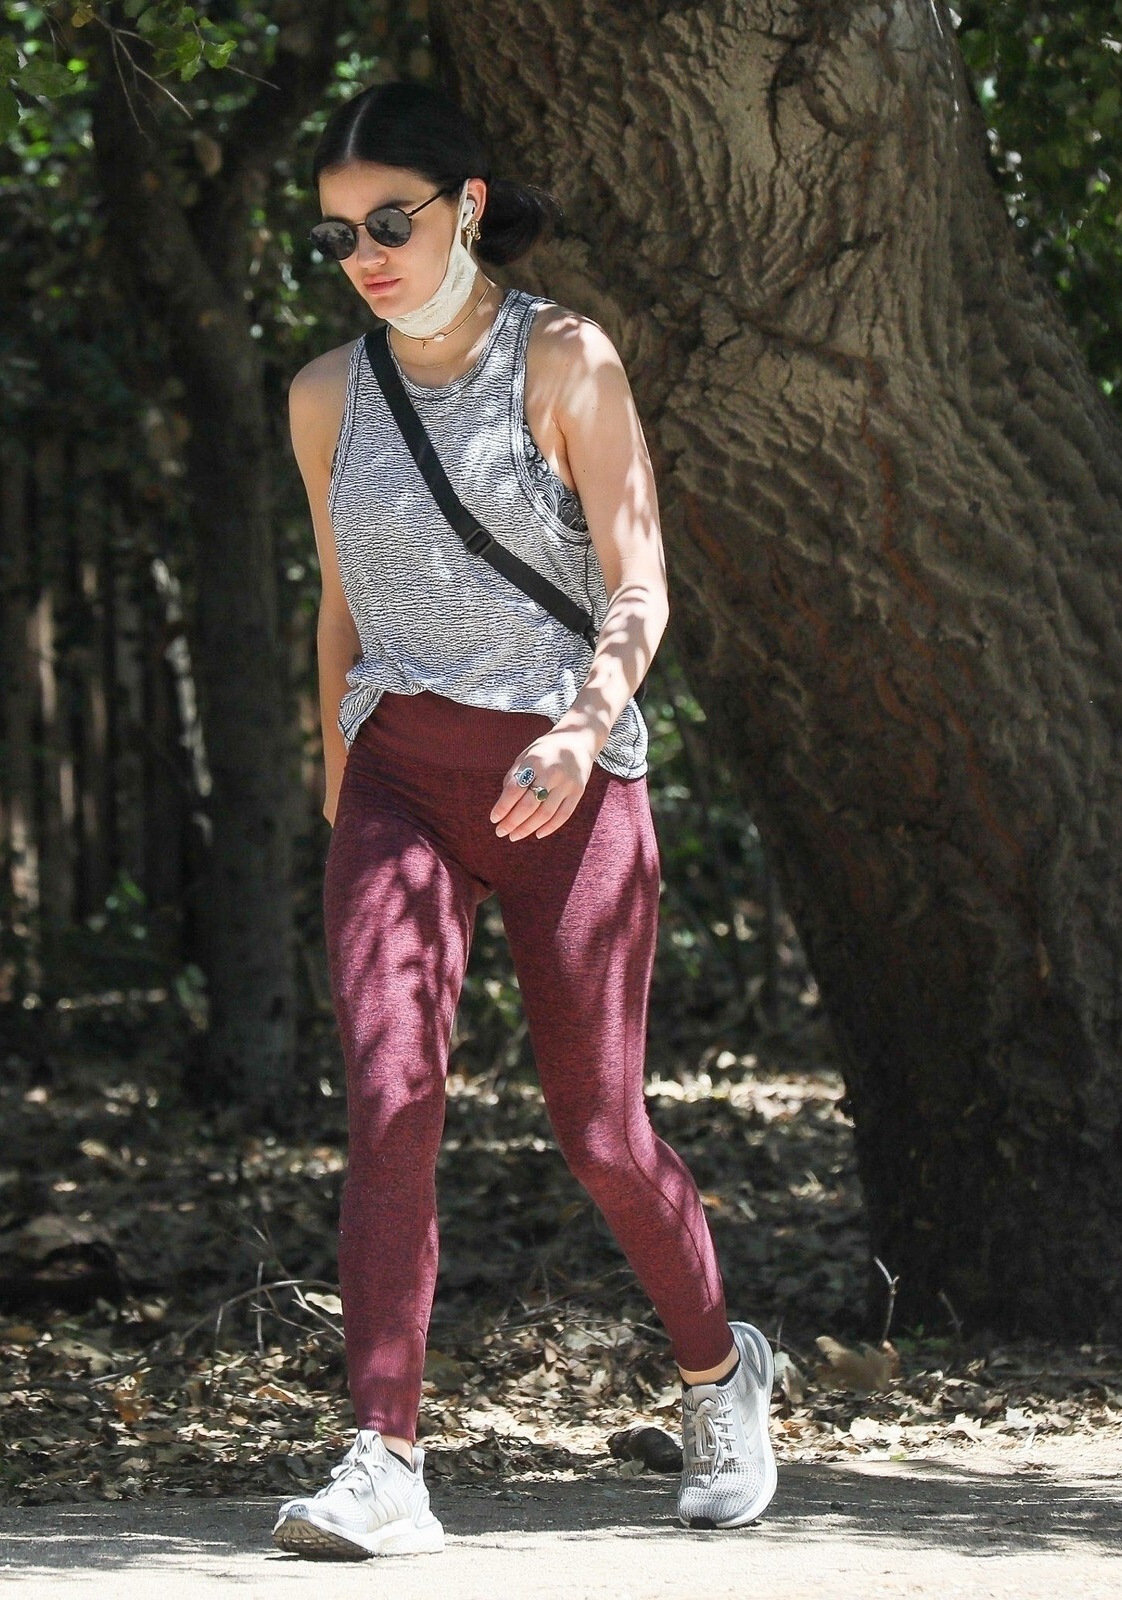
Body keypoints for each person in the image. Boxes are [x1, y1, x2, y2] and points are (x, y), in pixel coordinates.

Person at [271, 81, 777, 1560]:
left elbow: (640, 581)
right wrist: (337, 775)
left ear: (468, 206)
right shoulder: (324, 395)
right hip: (398, 782)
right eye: (337, 235)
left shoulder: (565, 359)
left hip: (565, 782)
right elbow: (341, 602)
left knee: (601, 1131)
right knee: (389, 1099)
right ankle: (385, 1457)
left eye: (390, 222)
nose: (364, 255)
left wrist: (584, 724)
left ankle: (720, 1372)